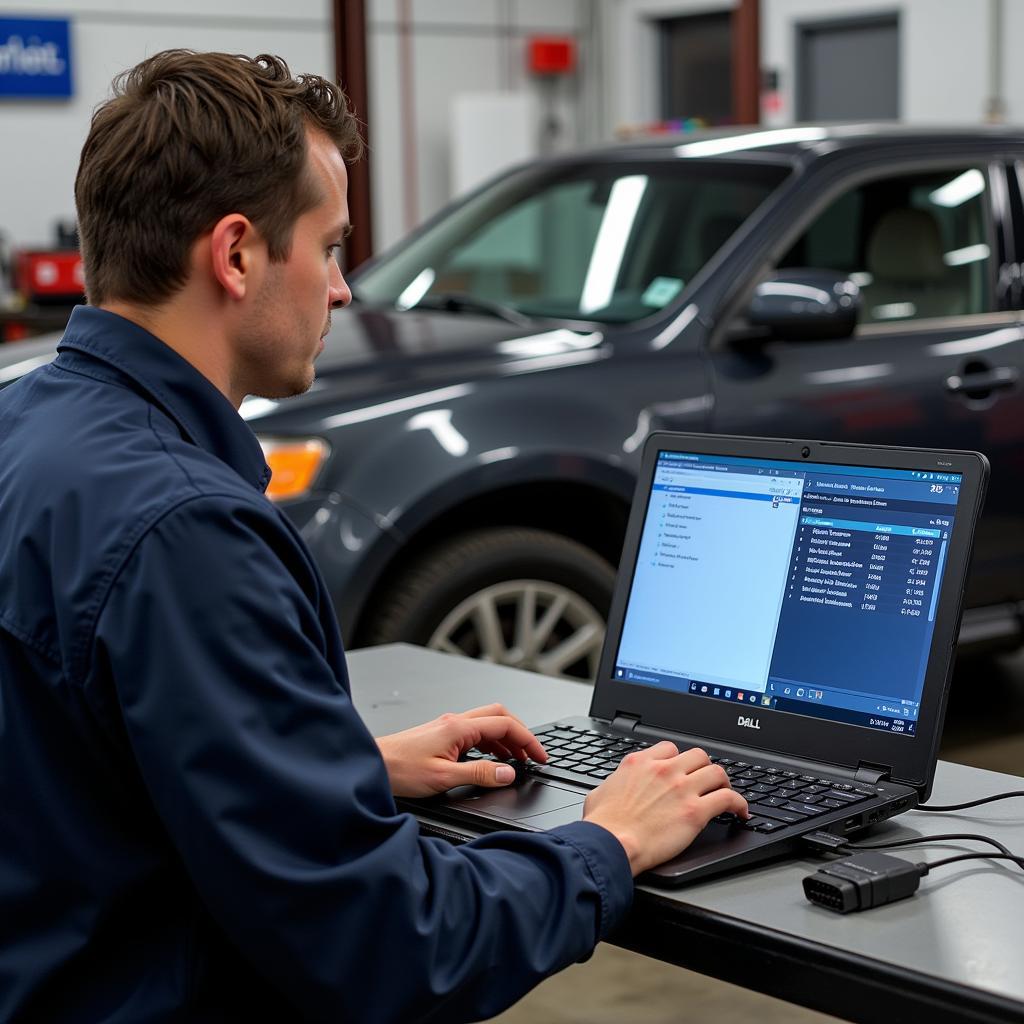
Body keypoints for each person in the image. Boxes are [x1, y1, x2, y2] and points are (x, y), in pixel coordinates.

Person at [0, 50, 747, 1023]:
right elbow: (391, 946)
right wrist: (608, 841)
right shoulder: (185, 529)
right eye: (330, 246)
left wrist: (337, 763)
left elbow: (78, 759)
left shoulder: (30, 430)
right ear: (235, 255)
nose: (345, 291)